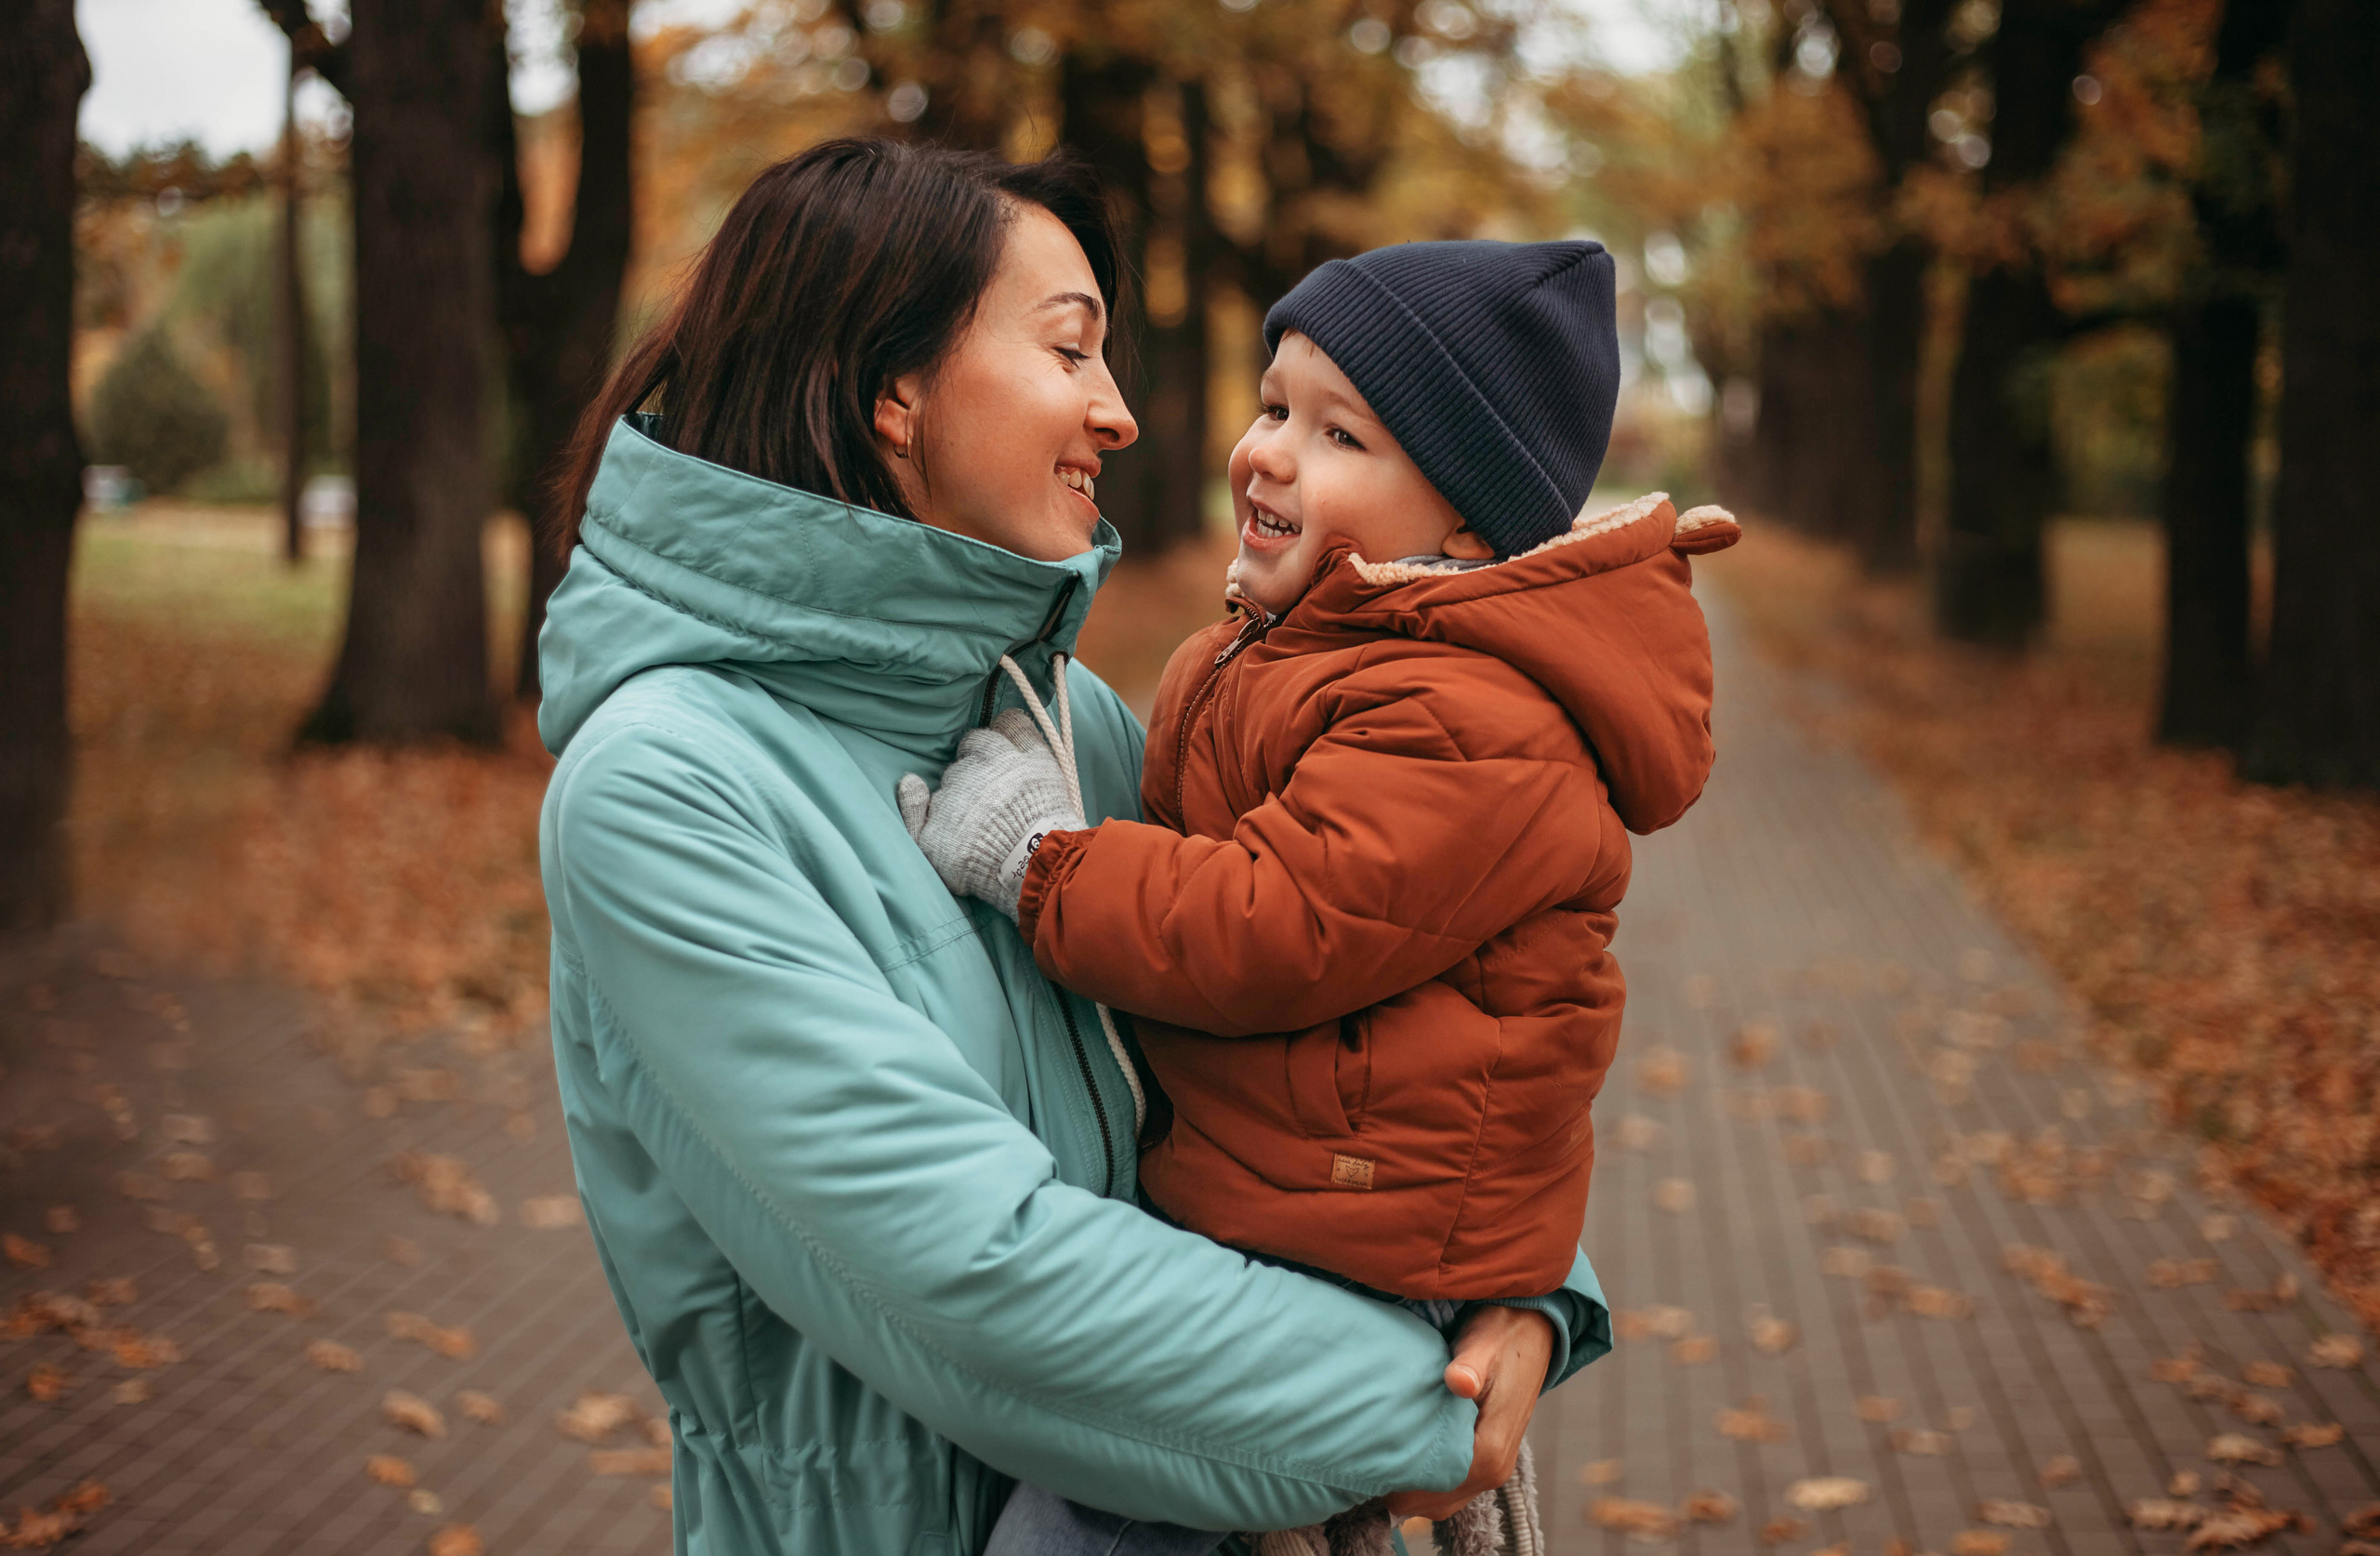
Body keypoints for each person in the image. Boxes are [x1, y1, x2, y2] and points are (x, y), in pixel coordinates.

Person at [535, 138, 1610, 1556]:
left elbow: (1361, 1009)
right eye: (1069, 348)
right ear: (892, 391)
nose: (1121, 413)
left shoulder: (1060, 716)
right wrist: (1431, 1402)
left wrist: (1522, 1292)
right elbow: (978, 1287)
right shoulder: (667, 789)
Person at [903, 239, 1738, 1556]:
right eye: (1274, 406)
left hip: (1349, 1229)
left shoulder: (1466, 712)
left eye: (1340, 434)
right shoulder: (1318, 653)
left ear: (1466, 524)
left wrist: (1037, 856)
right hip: (1300, 1202)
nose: (1267, 453)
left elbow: (1265, 926)